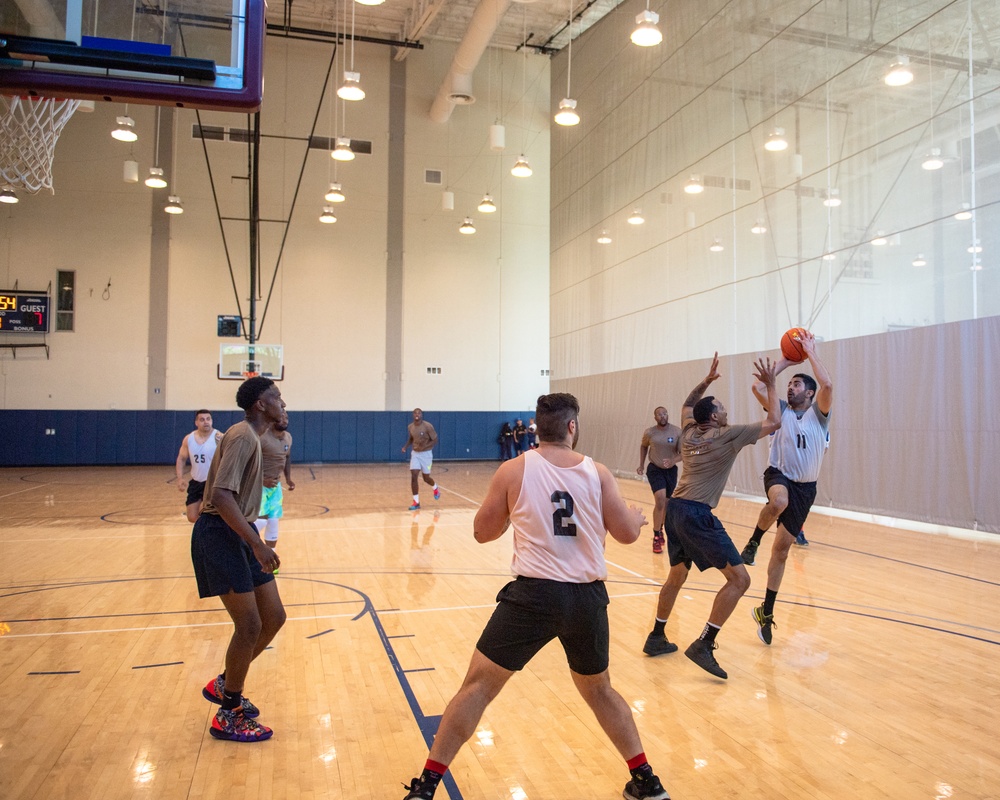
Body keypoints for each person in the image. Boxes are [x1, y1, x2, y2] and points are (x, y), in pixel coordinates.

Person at [401, 393, 671, 800]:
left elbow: (482, 532)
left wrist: (514, 509)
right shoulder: (597, 473)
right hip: (586, 599)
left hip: (534, 597)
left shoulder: (514, 470)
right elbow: (627, 534)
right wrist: (634, 518)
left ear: (536, 427)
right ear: (572, 427)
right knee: (600, 691)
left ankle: (427, 787)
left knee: (477, 688)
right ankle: (648, 781)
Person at [641, 353, 781, 679]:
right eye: (722, 409)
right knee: (740, 579)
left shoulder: (688, 432)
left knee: (676, 576)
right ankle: (705, 644)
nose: (727, 412)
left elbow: (689, 402)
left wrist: (706, 381)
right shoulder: (727, 434)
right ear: (715, 417)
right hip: (695, 514)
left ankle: (657, 636)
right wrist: (772, 385)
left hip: (675, 512)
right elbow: (774, 421)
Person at [191, 377, 287, 742]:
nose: (281, 401)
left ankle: (225, 684)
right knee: (248, 625)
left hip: (239, 530)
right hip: (219, 533)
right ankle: (229, 711)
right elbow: (221, 495)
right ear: (260, 404)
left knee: (274, 616)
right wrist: (258, 545)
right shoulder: (244, 434)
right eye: (275, 396)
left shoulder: (253, 437)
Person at [739, 331, 832, 645]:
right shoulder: (779, 409)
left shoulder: (820, 417)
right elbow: (756, 386)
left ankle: (766, 610)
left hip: (807, 490)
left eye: (797, 383)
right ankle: (752, 542)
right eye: (789, 383)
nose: (791, 387)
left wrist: (810, 352)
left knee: (780, 553)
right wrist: (783, 362)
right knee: (778, 501)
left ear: (809, 393)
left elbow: (828, 385)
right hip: (779, 475)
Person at [636, 406, 682, 555]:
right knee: (660, 499)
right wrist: (641, 465)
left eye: (664, 413)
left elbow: (683, 453)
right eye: (659, 414)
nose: (662, 416)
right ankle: (656, 536)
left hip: (671, 471)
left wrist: (673, 460)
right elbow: (643, 447)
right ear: (655, 417)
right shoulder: (650, 432)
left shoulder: (677, 432)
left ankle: (660, 529)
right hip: (655, 469)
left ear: (668, 415)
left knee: (667, 504)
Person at [254, 417, 295, 551]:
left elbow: (286, 457)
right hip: (258, 486)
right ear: (272, 420)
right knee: (260, 520)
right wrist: (261, 480)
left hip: (275, 486)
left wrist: (288, 478)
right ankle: (240, 542)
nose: (285, 420)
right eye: (281, 418)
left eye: (286, 418)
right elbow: (249, 462)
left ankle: (271, 556)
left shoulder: (288, 437)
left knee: (273, 521)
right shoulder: (262, 438)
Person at [176, 409, 223, 523]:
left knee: (206, 512)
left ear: (212, 421)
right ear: (196, 422)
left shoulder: (219, 437)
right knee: (192, 517)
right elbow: (181, 459)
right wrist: (180, 478)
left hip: (213, 482)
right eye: (202, 420)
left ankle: (209, 536)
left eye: (208, 419)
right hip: (196, 482)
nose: (206, 422)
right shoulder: (189, 439)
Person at [402, 408, 440, 510]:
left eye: (419, 413)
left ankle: (435, 487)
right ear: (413, 415)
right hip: (415, 454)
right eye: (415, 413)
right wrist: (405, 446)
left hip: (426, 454)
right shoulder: (410, 426)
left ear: (422, 415)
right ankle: (416, 502)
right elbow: (411, 438)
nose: (417, 414)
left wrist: (426, 446)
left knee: (426, 478)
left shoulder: (428, 426)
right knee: (414, 475)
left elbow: (435, 439)